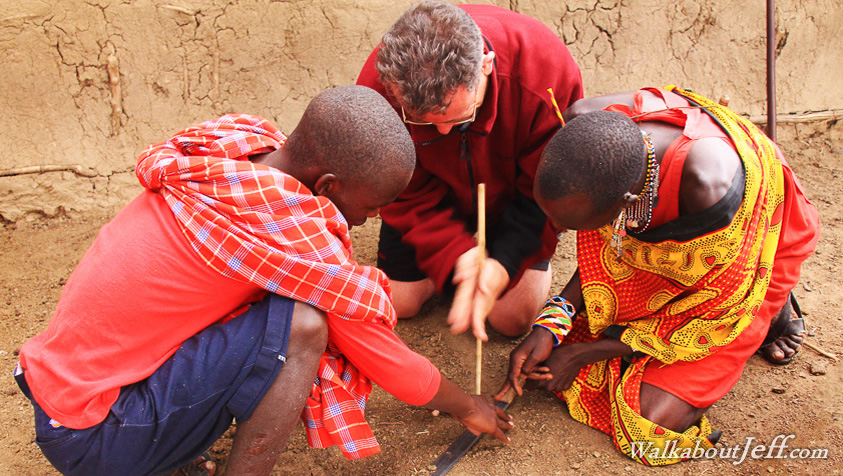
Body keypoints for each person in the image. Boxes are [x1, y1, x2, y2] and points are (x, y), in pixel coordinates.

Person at [15, 86, 512, 476]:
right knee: (303, 324)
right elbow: (384, 359)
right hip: (96, 436)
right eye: (370, 207)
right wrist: (469, 406)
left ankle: (163, 445)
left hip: (65, 399)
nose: (366, 222)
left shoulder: (231, 162)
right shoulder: (287, 235)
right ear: (328, 188)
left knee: (263, 308)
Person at [497, 86, 819, 465]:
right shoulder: (582, 125)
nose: (555, 228)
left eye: (567, 223)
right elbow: (606, 250)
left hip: (745, 265)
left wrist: (586, 352)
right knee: (580, 342)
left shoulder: (708, 190)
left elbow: (713, 306)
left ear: (627, 204)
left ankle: (772, 314)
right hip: (676, 258)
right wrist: (551, 324)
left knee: (648, 426)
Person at [356, 0, 584, 340]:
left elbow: (549, 186)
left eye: (457, 117)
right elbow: (402, 191)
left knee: (511, 319)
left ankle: (499, 256)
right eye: (422, 122)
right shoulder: (379, 87)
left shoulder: (546, 69)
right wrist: (455, 254)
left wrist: (504, 264)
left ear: (486, 66)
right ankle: (446, 266)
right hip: (434, 198)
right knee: (400, 302)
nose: (443, 133)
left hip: (514, 202)